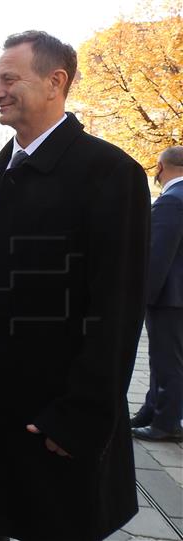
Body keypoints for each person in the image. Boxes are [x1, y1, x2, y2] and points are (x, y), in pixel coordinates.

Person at [0, 31, 150, 541]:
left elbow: (117, 310)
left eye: (9, 79)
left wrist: (79, 418)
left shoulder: (108, 174)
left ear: (56, 82)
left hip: (47, 424)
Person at [132, 146, 183, 442]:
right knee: (164, 357)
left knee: (167, 359)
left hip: (170, 295)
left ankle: (166, 422)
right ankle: (152, 409)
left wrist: (143, 295)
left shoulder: (172, 201)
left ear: (161, 167)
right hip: (175, 294)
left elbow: (158, 254)